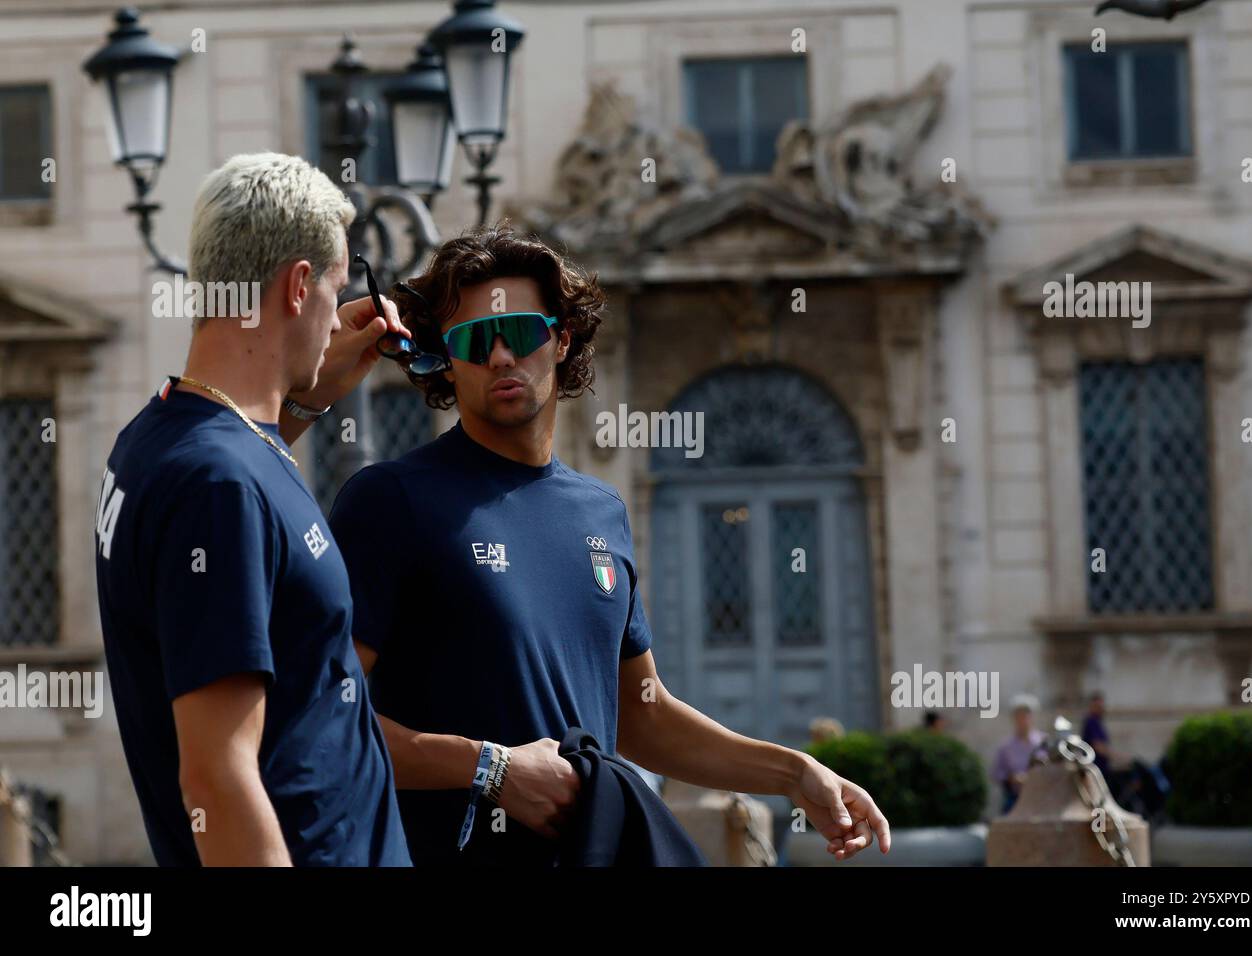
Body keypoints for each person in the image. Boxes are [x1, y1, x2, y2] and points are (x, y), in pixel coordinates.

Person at [328, 224, 891, 867]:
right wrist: (489, 768)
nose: (501, 358)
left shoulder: (602, 512)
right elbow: (322, 714)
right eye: (475, 340)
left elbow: (642, 714)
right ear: (448, 360)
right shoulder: (391, 500)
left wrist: (794, 772)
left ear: (561, 338)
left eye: (519, 333)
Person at [94, 153, 412, 866]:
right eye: (336, 287)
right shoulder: (216, 487)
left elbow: (254, 500)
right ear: (299, 285)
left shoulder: (162, 436)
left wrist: (307, 397)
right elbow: (216, 776)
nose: (339, 316)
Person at [993, 694, 1045, 813]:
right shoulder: (1006, 746)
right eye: (1019, 716)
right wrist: (1011, 778)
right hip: (1015, 798)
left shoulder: (1043, 742)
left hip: (1040, 797)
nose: (1023, 719)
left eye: (1026, 715)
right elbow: (997, 773)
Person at [1080, 692, 1113, 784]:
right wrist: (1116, 756)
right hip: (1096, 768)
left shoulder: (1097, 722)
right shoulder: (1091, 722)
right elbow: (1098, 746)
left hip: (1101, 768)